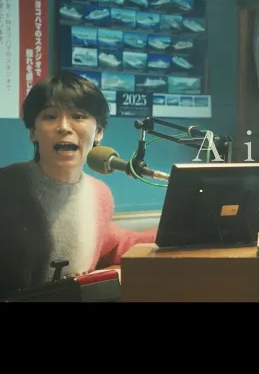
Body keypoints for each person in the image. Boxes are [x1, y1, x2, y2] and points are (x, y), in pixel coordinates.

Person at [0, 72, 157, 299]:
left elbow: (117, 243)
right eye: (50, 116)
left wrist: (185, 229)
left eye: (78, 116)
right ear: (33, 131)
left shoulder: (99, 194)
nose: (64, 127)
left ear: (99, 132)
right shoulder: (7, 186)